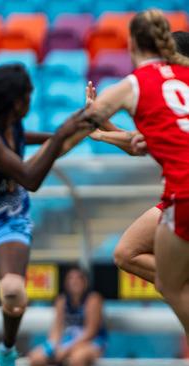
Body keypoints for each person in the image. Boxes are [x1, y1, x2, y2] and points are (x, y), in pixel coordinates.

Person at [0, 64, 92, 366]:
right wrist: (65, 132)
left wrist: (85, 121)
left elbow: (50, 142)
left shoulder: (13, 124)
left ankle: (7, 350)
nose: (31, 100)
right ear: (15, 101)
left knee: (12, 289)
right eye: (28, 95)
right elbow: (30, 178)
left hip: (9, 215)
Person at [82, 9, 189, 337]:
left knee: (169, 284)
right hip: (176, 190)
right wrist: (104, 133)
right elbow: (139, 143)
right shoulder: (173, 90)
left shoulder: (152, 83)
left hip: (182, 191)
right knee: (127, 253)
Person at [28, 266, 107, 366]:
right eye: (71, 278)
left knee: (77, 358)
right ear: (66, 282)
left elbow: (91, 332)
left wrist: (66, 350)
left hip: (92, 342)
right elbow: (57, 329)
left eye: (78, 278)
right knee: (36, 357)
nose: (74, 282)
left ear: (85, 282)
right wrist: (52, 346)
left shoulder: (93, 299)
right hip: (68, 340)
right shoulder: (62, 300)